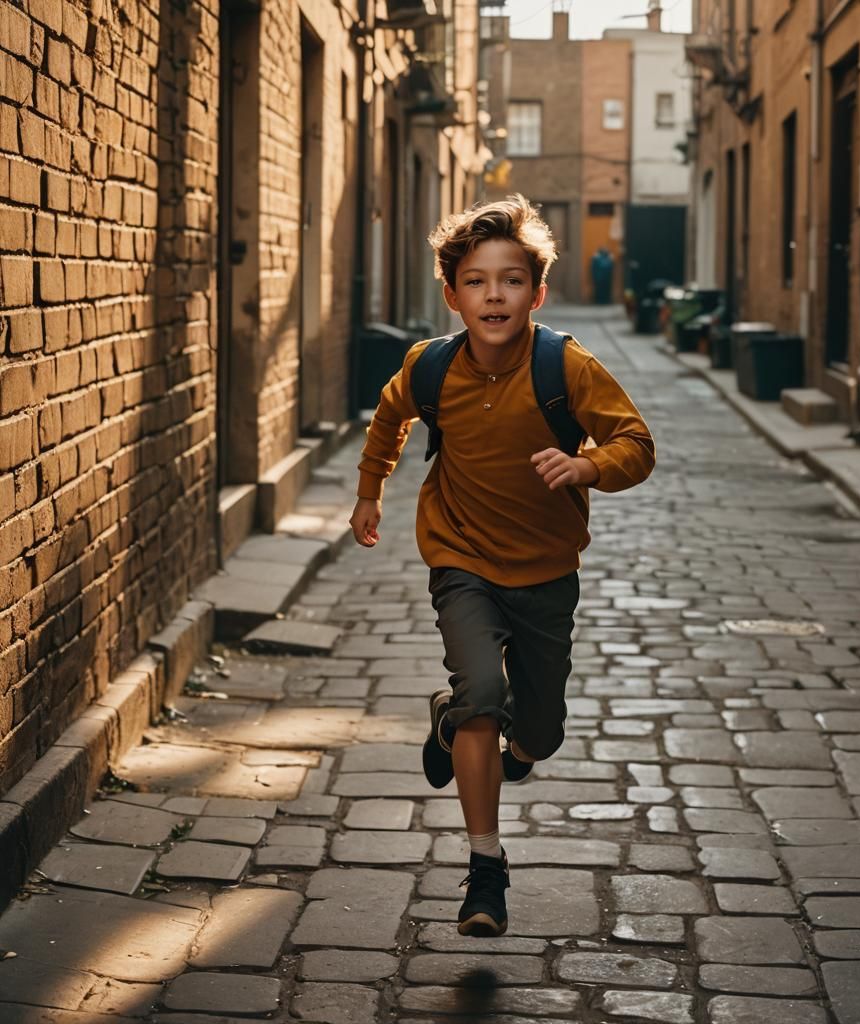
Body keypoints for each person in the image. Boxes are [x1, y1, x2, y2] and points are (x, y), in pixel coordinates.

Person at [349, 194, 655, 938]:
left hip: (546, 570)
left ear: (536, 294)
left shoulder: (564, 366)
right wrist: (369, 491)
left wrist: (587, 467)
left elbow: (637, 444)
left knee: (539, 735)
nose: (494, 296)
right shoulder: (430, 367)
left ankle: (463, 727)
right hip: (461, 558)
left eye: (512, 281)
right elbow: (389, 417)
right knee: (483, 692)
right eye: (477, 282)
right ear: (452, 295)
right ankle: (485, 867)